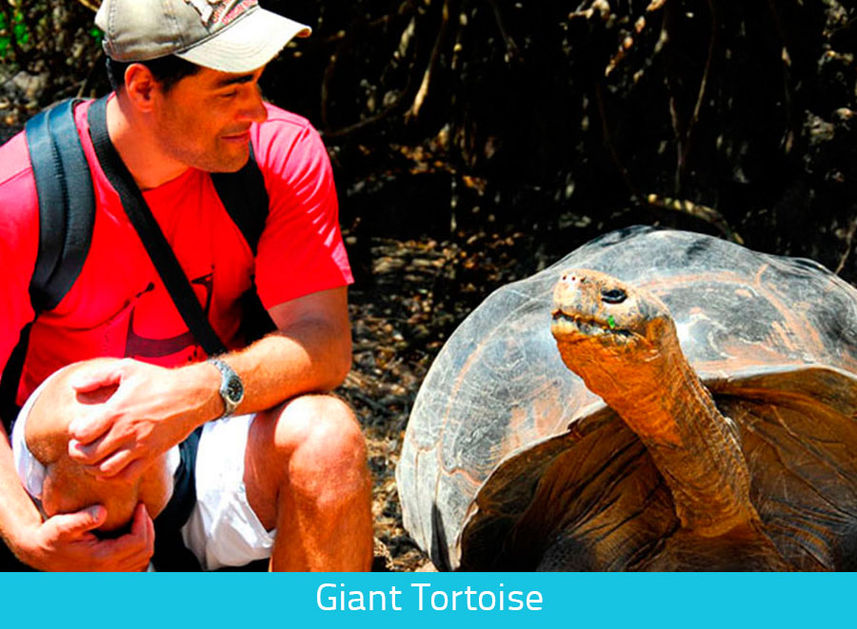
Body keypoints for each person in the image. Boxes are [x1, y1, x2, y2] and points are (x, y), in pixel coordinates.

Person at [0, 0, 373, 571]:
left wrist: (192, 393)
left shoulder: (280, 155)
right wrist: (22, 530)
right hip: (59, 470)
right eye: (229, 90)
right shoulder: (25, 192)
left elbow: (323, 342)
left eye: (256, 82)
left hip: (207, 431)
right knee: (94, 414)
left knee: (328, 437)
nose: (257, 111)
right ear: (144, 87)